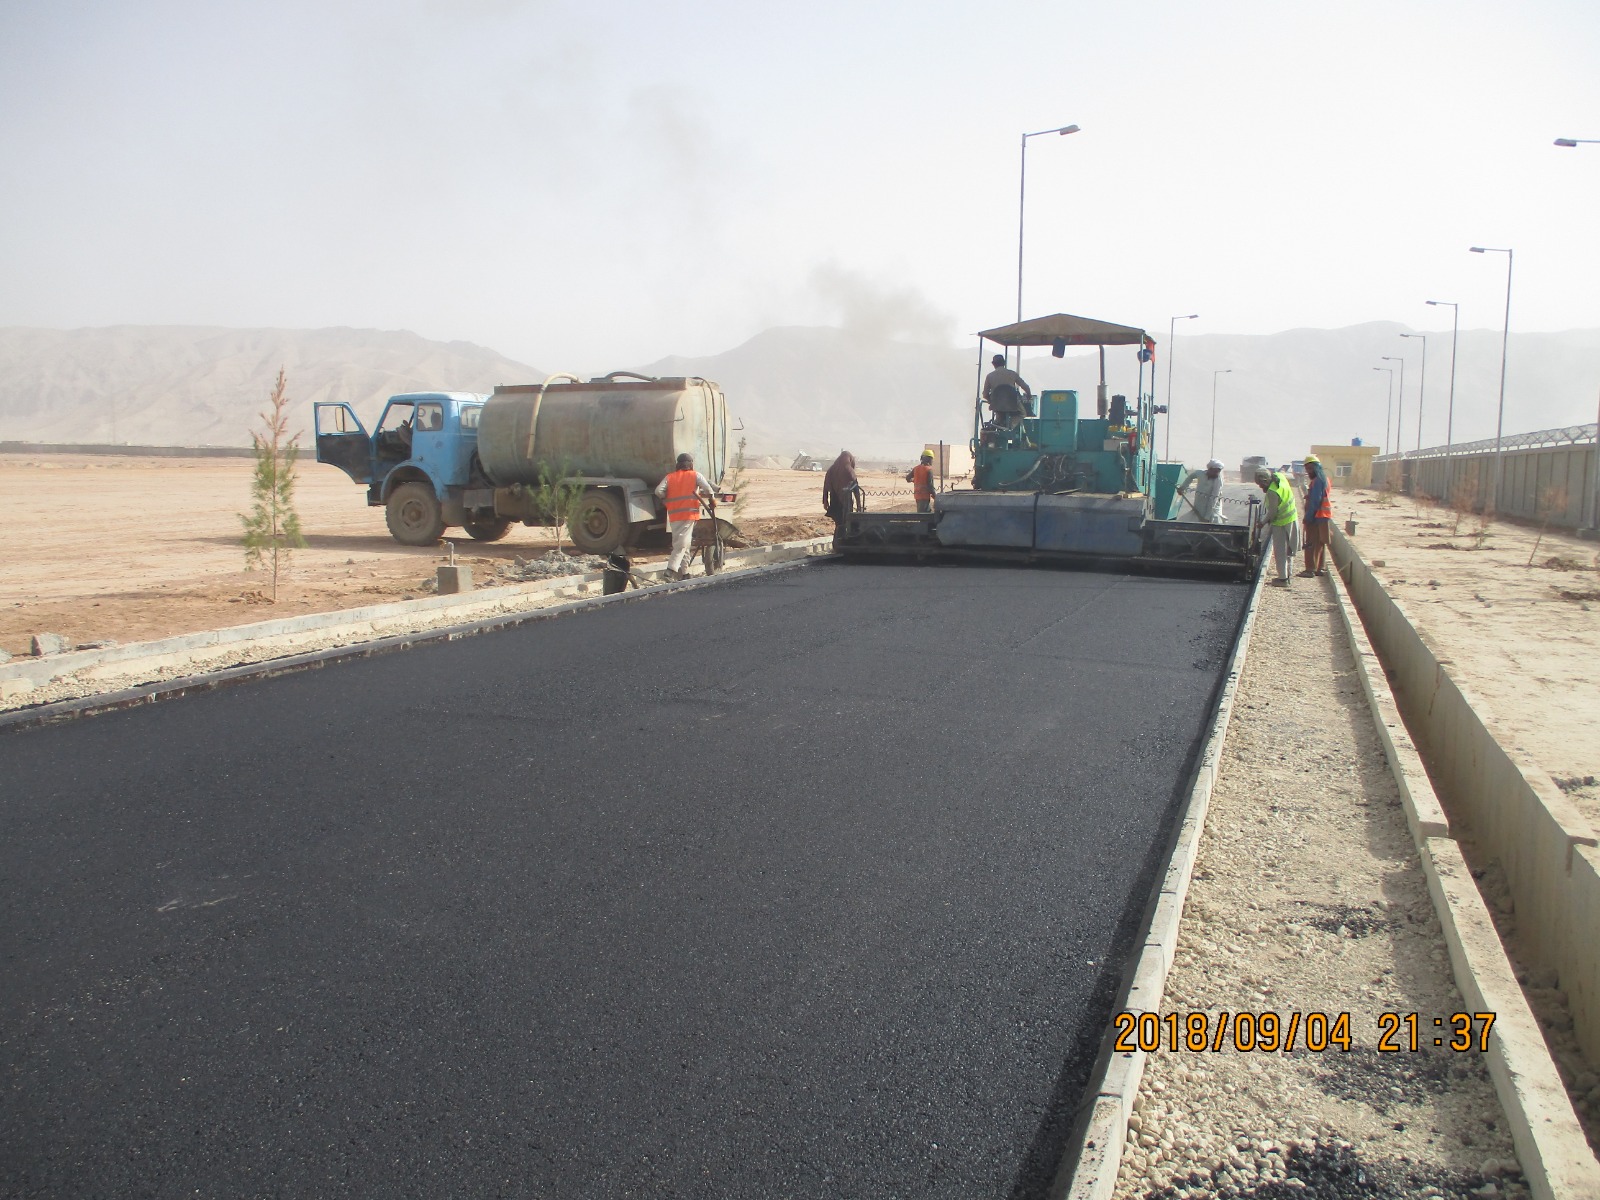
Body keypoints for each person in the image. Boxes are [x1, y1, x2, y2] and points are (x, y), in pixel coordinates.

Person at [655, 452, 713, 580]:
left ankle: (685, 573)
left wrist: (666, 500)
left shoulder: (670, 477)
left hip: (674, 515)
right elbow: (708, 490)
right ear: (690, 464)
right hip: (688, 514)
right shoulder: (695, 475)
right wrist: (712, 499)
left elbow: (658, 491)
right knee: (682, 543)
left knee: (684, 543)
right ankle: (670, 570)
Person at [1253, 465, 1301, 586]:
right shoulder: (1280, 478)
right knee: (1290, 550)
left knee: (1280, 552)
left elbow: (1272, 512)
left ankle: (1283, 579)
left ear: (1265, 480)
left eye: (1260, 484)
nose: (1260, 487)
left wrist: (1262, 523)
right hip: (1292, 518)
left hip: (1281, 523)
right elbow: (1281, 472)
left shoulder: (1272, 492)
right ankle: (1288, 575)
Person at [1300, 454, 1333, 577]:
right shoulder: (1324, 479)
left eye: (1310, 469)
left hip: (1317, 516)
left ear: (1316, 467)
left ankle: (1310, 569)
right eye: (1307, 469)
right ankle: (1320, 568)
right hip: (1324, 516)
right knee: (1320, 543)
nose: (1308, 472)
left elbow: (1316, 500)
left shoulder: (1317, 481)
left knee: (1311, 543)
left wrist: (1308, 517)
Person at [982, 354, 1033, 429]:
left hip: (997, 404)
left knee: (999, 415)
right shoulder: (1012, 374)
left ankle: (997, 424)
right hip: (1012, 403)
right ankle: (1010, 425)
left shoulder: (990, 376)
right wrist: (1029, 395)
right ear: (1004, 363)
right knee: (1022, 413)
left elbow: (985, 394)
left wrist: (991, 401)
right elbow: (1026, 387)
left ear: (993, 364)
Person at [822, 451, 862, 531]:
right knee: (846, 521)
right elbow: (856, 490)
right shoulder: (850, 471)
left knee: (838, 523)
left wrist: (825, 501)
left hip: (834, 500)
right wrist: (859, 506)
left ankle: (839, 537)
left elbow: (826, 486)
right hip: (846, 501)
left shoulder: (831, 469)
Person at [1176, 458, 1227, 523]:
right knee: (1194, 519)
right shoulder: (1200, 473)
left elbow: (1213, 499)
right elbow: (1190, 477)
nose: (1216, 474)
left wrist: (1207, 517)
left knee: (1213, 522)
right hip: (1199, 503)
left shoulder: (1218, 481)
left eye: (1218, 472)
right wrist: (1183, 488)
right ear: (1209, 469)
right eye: (1215, 471)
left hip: (1212, 507)